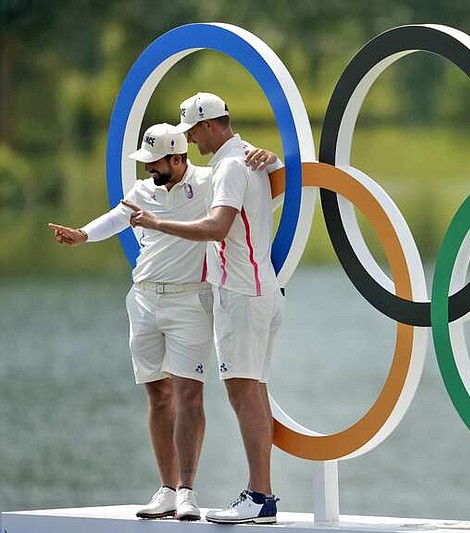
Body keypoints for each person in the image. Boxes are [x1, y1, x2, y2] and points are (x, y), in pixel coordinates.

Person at [48, 123, 276, 522]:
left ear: (177, 158)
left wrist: (268, 156)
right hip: (143, 298)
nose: (150, 170)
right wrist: (83, 234)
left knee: (189, 395)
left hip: (190, 300)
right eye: (146, 163)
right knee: (158, 395)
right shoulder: (142, 190)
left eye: (156, 163)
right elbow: (116, 218)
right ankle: (167, 490)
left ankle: (188, 492)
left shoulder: (209, 180)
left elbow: (244, 166)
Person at [124, 92, 285, 525]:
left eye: (193, 131)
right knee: (251, 391)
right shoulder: (242, 158)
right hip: (254, 291)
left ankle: (261, 496)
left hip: (240, 294)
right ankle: (260, 493)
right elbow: (267, 187)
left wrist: (157, 223)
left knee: (243, 393)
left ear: (211, 125)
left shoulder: (232, 165)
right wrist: (272, 162)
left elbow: (218, 226)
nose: (190, 140)